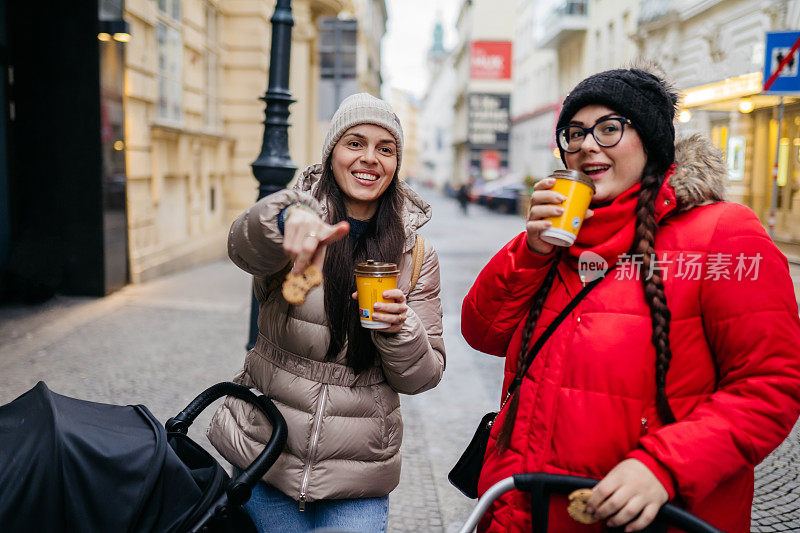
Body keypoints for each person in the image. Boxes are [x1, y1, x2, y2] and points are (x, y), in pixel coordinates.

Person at [461, 64, 800, 532]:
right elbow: (482, 331)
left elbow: (770, 384)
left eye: (609, 128)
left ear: (653, 141)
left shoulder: (723, 234)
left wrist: (664, 465)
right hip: (522, 510)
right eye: (574, 133)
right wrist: (532, 248)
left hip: (650, 519)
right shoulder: (559, 239)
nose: (587, 145)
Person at [207, 93, 445, 533]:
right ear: (332, 152)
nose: (370, 158)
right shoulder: (300, 218)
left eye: (385, 148)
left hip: (359, 471)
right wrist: (284, 221)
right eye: (355, 143)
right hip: (267, 451)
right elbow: (242, 246)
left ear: (396, 162)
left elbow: (422, 376)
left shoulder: (417, 253)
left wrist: (401, 328)